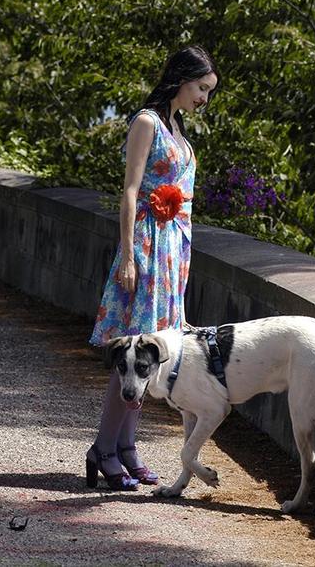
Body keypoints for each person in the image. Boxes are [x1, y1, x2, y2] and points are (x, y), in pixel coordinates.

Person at [86, 45, 219, 490]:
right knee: (131, 355)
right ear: (182, 78)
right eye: (201, 87)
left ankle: (125, 448)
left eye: (208, 90)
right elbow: (130, 190)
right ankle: (104, 449)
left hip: (173, 251)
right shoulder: (147, 122)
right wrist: (127, 254)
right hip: (146, 244)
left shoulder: (176, 128)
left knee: (150, 355)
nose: (204, 98)